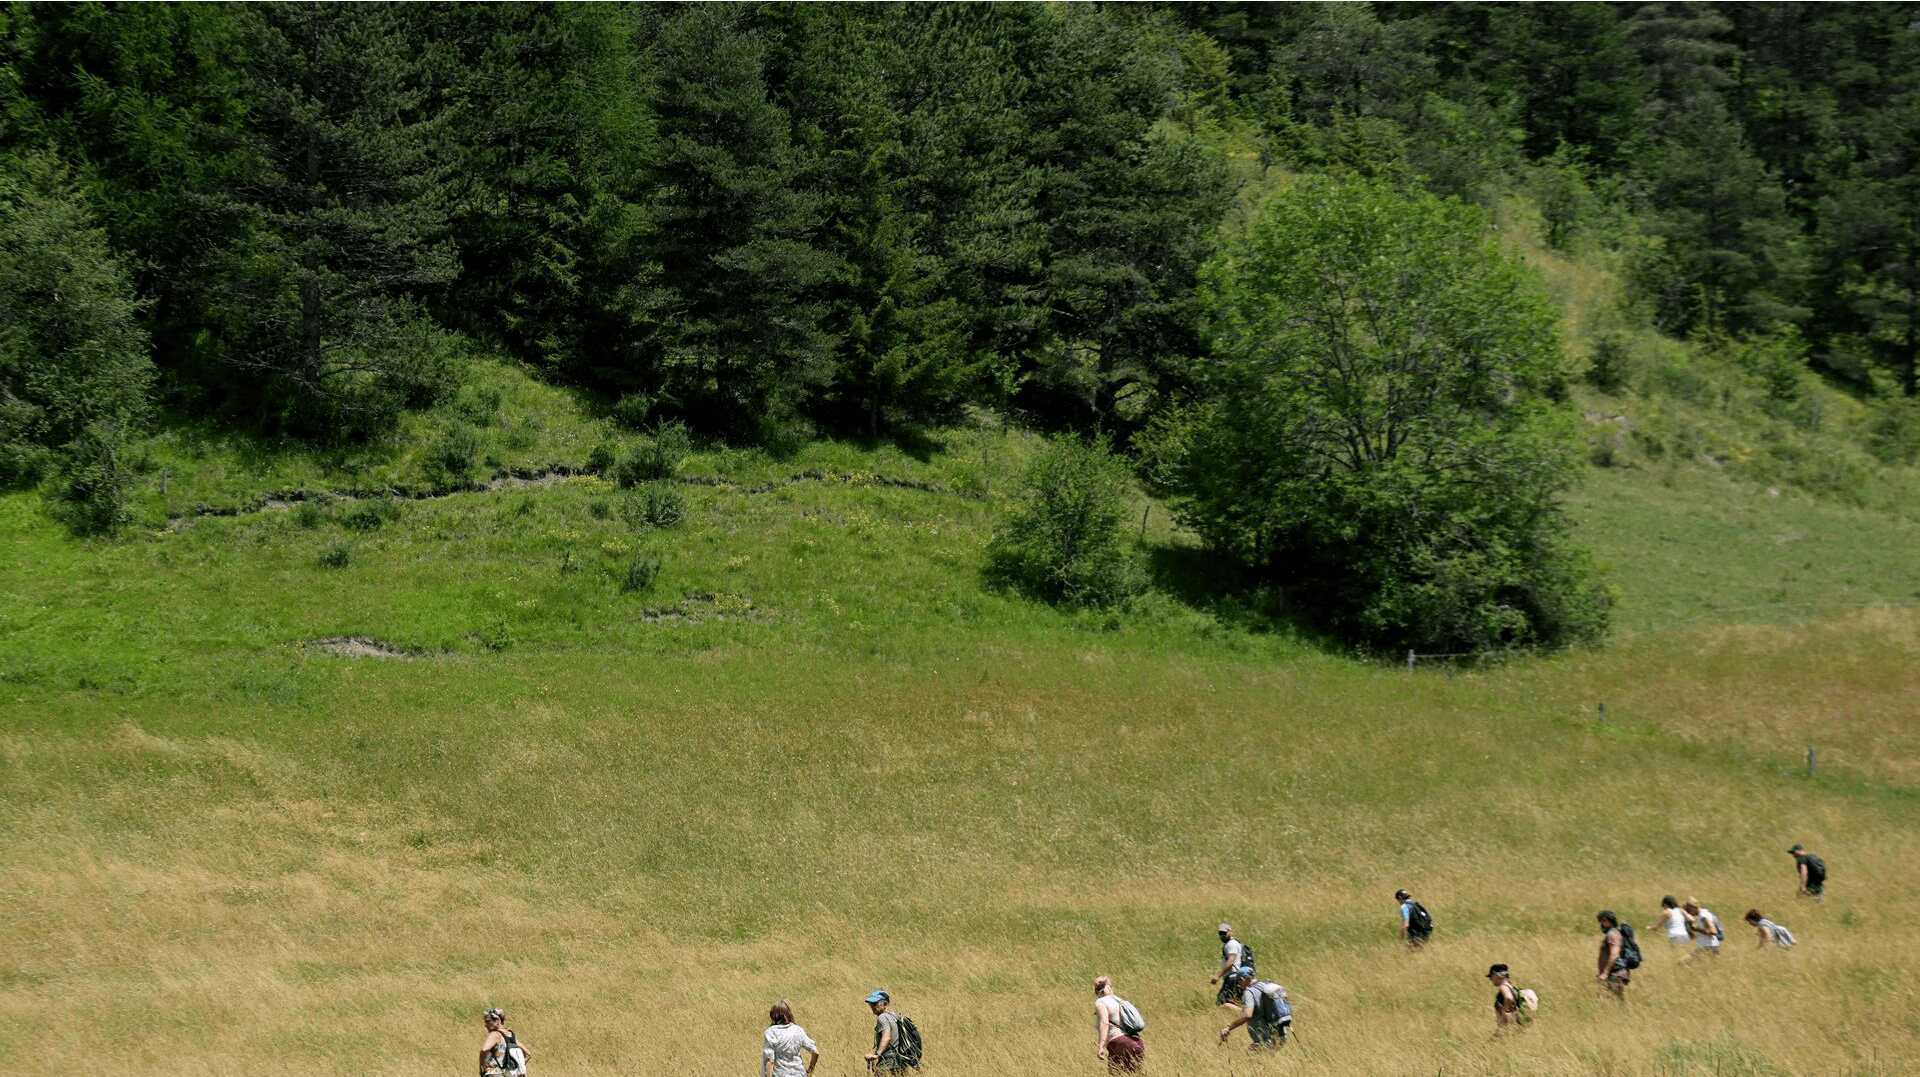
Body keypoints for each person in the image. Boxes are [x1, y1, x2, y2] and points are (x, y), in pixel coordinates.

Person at [1218, 966, 1290, 1051]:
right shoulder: (1267, 985)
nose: (1239, 986)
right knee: (1264, 1058)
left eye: (1239, 982)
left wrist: (1229, 1028)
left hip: (1265, 1039)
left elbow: (1248, 1015)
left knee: (1251, 1056)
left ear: (1243, 979)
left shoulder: (1249, 991)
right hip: (1281, 1036)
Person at [1093, 975, 1145, 1073]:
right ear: (1110, 987)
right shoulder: (1120, 1001)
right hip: (1138, 1043)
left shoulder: (1100, 1002)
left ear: (1096, 991)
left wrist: (1101, 1046)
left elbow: (1104, 1022)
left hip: (1120, 1044)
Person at [863, 990, 916, 1073]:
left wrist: (877, 1055)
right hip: (901, 1061)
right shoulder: (895, 1017)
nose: (872, 1006)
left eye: (875, 1003)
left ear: (885, 1003)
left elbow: (886, 1037)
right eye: (870, 1004)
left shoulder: (883, 1018)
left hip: (888, 1061)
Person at [763, 1000, 819, 1077]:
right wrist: (810, 1071)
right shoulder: (797, 1030)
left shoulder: (771, 1032)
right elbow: (815, 1053)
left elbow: (770, 1061)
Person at [478, 1008, 529, 1076]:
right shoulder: (510, 1036)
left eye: (487, 1021)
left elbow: (484, 1050)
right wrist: (515, 1068)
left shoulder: (495, 1034)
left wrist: (483, 1067)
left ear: (497, 1020)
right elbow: (528, 1054)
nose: (485, 1025)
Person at [1210, 923, 1251, 1006]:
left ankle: (1244, 1014)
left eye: (1224, 933)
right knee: (1233, 1002)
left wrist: (1218, 976)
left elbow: (1231, 961)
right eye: (1220, 933)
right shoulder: (1232, 943)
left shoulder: (1231, 944)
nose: (1222, 936)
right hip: (1235, 977)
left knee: (1222, 1003)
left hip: (1233, 977)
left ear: (1230, 931)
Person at [1594, 911, 1631, 998]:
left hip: (1614, 974)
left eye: (1602, 921)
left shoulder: (1612, 934)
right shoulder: (1616, 934)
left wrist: (1605, 973)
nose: (1601, 925)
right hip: (1616, 973)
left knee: (1611, 1001)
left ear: (1608, 921)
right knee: (1615, 1001)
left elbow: (1615, 954)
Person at [1486, 964, 1530, 1029]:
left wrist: (1504, 1013)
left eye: (1491, 976)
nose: (1490, 979)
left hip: (1507, 1026)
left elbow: (1509, 998)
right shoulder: (1513, 988)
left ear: (1496, 975)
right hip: (1517, 1026)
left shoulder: (1503, 987)